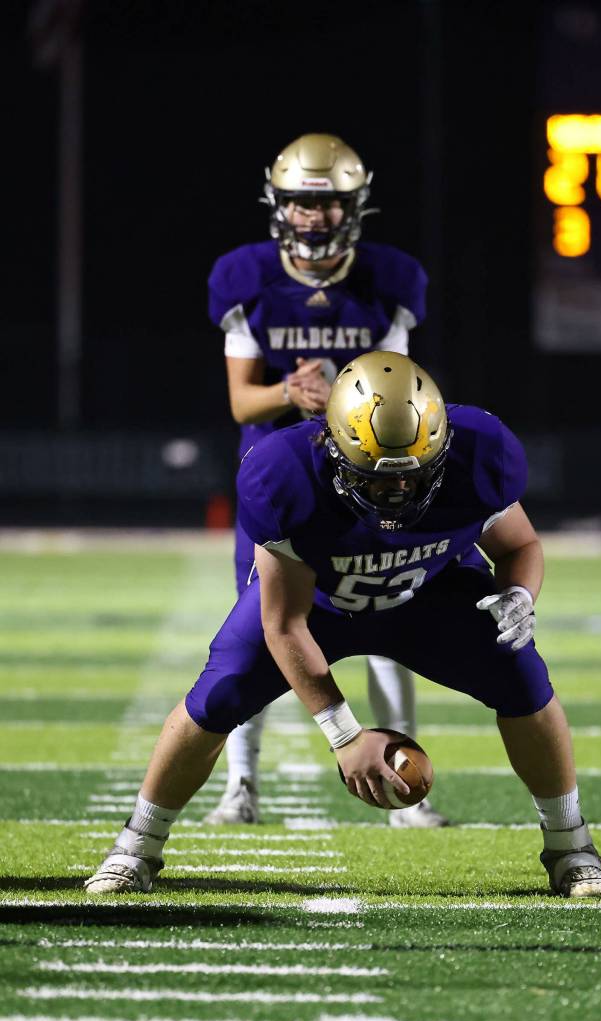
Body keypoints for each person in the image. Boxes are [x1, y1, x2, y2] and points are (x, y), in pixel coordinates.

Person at [85, 351, 601, 899]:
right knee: (217, 695)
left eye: (414, 478)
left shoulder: (481, 453)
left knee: (523, 678)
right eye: (378, 480)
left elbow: (521, 545)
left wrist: (518, 594)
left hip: (429, 595)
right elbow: (284, 622)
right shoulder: (283, 472)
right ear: (331, 444)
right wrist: (344, 736)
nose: (397, 495)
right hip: (319, 606)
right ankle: (137, 846)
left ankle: (572, 849)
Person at [205, 132, 446, 827]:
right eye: (301, 204)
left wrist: (342, 398)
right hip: (276, 482)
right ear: (278, 205)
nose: (313, 217)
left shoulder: (388, 280)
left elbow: (400, 387)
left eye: (329, 203)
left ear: (354, 206)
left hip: (366, 478)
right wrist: (291, 392)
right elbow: (240, 402)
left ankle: (404, 794)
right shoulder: (247, 279)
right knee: (253, 632)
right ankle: (239, 786)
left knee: (388, 621)